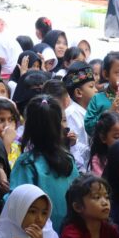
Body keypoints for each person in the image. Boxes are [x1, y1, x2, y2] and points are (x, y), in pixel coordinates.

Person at [10, 95, 81, 230]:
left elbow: (16, 203)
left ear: (28, 126)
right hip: (69, 235)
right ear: (59, 124)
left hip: (40, 236)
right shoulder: (68, 159)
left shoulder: (26, 163)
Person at [64, 63, 96, 171]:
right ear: (78, 92)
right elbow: (75, 146)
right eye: (91, 86)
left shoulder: (90, 112)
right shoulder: (71, 113)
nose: (96, 90)